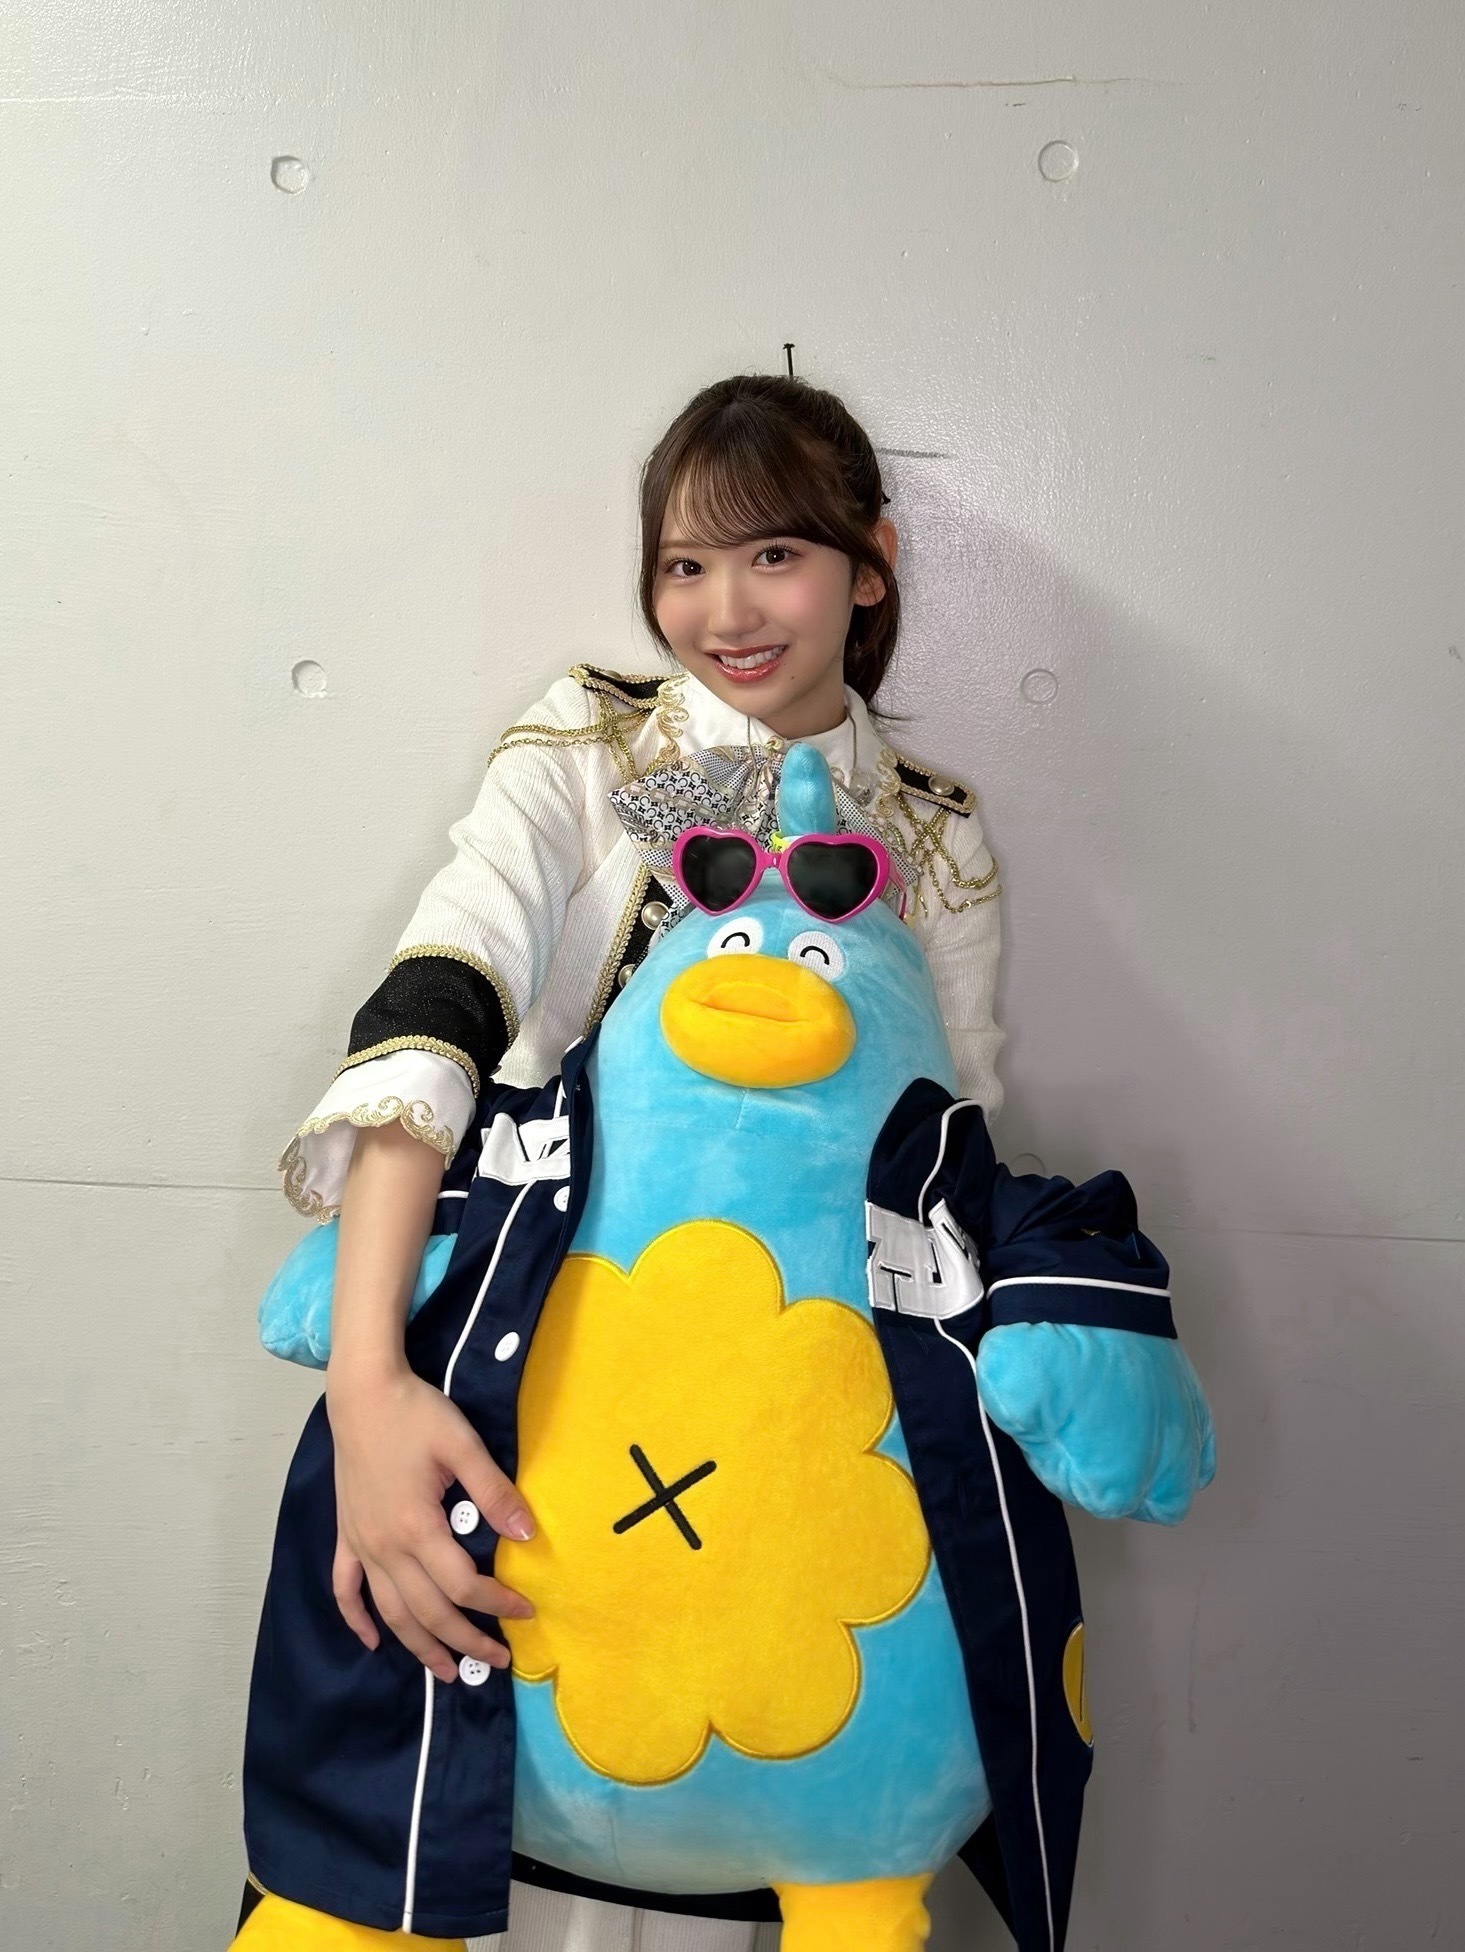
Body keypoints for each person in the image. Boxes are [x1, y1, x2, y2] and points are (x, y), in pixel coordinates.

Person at [242, 372, 1008, 1950]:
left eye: (774, 554)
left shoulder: (932, 837)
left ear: (869, 564)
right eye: (682, 564)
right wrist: (369, 1386)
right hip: (518, 1397)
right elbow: (437, 1013)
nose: (724, 610)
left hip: (790, 1456)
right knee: (416, 1835)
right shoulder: (592, 742)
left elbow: (950, 1167)